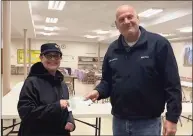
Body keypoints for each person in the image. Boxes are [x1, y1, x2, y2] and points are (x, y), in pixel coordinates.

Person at [85, 5, 182, 136]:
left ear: (138, 18)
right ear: (116, 25)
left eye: (130, 17)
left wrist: (172, 118)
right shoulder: (112, 50)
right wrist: (98, 91)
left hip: (148, 122)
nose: (126, 21)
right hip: (119, 121)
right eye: (121, 19)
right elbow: (107, 81)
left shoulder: (159, 44)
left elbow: (172, 84)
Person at [17, 43, 76, 136]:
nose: (53, 59)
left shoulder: (62, 84)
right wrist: (57, 106)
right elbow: (26, 113)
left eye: (56, 56)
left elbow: (67, 108)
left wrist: (70, 121)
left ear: (60, 58)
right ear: (41, 57)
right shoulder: (32, 82)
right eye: (49, 56)